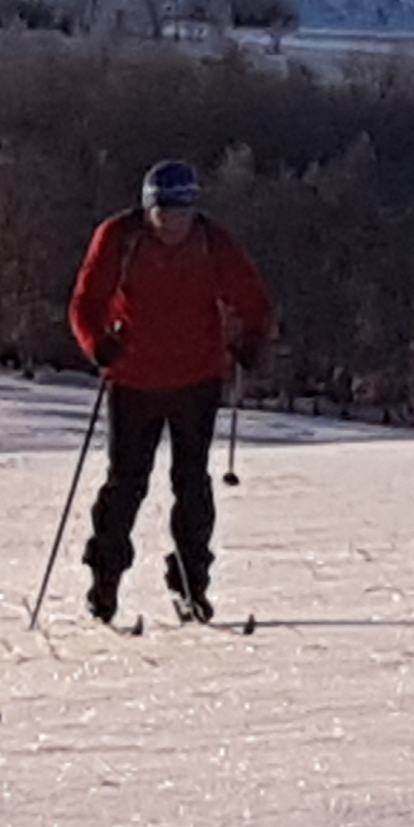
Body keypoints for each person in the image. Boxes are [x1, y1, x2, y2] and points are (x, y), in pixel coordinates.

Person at [66, 160, 274, 626]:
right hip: (133, 379)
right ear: (148, 209)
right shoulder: (119, 238)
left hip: (197, 379)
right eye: (163, 213)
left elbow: (251, 297)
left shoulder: (212, 241)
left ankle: (190, 587)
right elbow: (86, 301)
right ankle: (104, 584)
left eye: (180, 213)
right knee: (126, 484)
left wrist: (252, 339)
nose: (172, 224)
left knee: (192, 484)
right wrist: (97, 344)